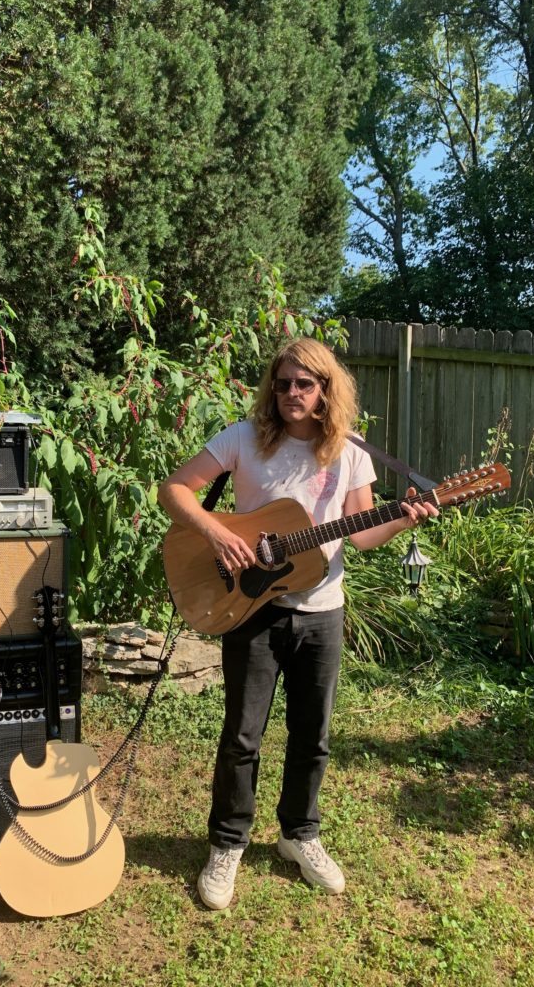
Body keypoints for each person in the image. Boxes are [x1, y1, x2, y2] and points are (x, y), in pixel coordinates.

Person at [158, 337, 438, 909]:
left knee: (313, 736)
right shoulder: (242, 438)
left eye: (304, 384)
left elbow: (361, 534)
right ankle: (228, 843)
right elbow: (173, 490)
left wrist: (405, 519)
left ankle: (299, 834)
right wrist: (218, 533)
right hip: (252, 610)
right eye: (283, 382)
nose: (291, 393)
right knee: (242, 737)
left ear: (325, 390)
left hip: (322, 612)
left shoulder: (350, 452)